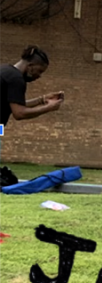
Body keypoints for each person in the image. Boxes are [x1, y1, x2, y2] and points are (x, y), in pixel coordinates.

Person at [1, 45, 63, 242]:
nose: (39, 76)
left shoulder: (5, 71)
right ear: (31, 65)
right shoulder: (16, 79)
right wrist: (49, 109)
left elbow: (16, 104)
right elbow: (19, 113)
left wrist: (43, 100)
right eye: (39, 71)